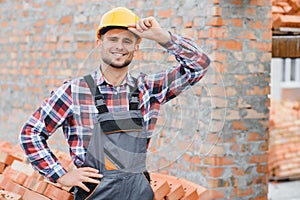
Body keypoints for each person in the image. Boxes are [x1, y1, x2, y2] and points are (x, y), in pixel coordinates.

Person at [19, 7, 210, 200]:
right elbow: (31, 133)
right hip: (94, 195)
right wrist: (61, 175)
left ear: (136, 48)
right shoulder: (74, 91)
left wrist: (162, 37)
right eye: (113, 39)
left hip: (138, 194)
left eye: (127, 40)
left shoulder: (148, 89)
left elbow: (199, 64)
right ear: (99, 43)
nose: (120, 46)